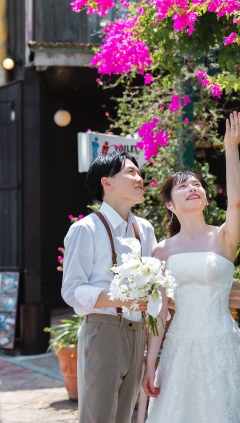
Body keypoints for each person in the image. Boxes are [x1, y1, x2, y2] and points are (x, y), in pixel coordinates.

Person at [143, 111, 240, 422]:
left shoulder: (223, 237)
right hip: (180, 349)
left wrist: (231, 148)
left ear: (204, 197)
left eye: (197, 185)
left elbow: (236, 202)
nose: (192, 188)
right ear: (169, 204)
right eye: (182, 186)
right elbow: (158, 312)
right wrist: (151, 362)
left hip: (222, 344)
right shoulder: (161, 251)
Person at [61, 151, 158, 423]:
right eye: (130, 172)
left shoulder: (145, 229)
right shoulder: (86, 229)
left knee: (125, 416)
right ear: (107, 182)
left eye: (139, 173)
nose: (139, 178)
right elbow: (71, 290)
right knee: (99, 416)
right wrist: (119, 299)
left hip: (137, 331)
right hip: (103, 331)